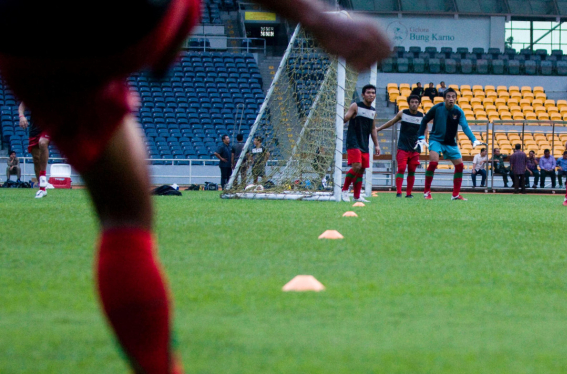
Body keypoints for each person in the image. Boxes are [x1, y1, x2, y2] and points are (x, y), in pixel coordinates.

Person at [0, 0, 391, 372]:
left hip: (25, 36)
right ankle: (170, 32)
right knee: (126, 217)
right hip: (123, 25)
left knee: (122, 210)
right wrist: (321, 20)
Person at [416, 87, 484, 200]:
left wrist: (473, 139)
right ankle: (426, 192)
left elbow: (465, 126)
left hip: (450, 143)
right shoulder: (437, 108)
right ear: (444, 98)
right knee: (433, 163)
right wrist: (421, 137)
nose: (451, 99)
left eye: (453, 97)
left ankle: (455, 195)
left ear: (456, 98)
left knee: (460, 166)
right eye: (448, 96)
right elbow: (424, 120)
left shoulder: (458, 111)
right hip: (436, 140)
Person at [376, 94, 423, 197]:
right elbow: (392, 122)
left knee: (412, 171)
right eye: (412, 102)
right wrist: (379, 129)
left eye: (416, 102)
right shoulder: (403, 113)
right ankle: (398, 192)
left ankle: (409, 193)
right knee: (401, 168)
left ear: (419, 104)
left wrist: (423, 140)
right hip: (402, 147)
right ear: (409, 103)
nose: (414, 104)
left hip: (415, 148)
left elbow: (425, 129)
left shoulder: (421, 116)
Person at [342, 84, 380, 202]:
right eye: (368, 92)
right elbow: (345, 118)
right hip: (353, 141)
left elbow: (373, 129)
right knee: (356, 166)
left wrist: (377, 144)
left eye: (373, 93)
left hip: (364, 143)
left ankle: (357, 196)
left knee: (362, 169)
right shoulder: (356, 106)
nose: (371, 94)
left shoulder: (373, 111)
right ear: (363, 95)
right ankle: (344, 190)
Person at [19, 102, 50, 198]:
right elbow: (22, 104)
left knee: (43, 142)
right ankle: (42, 189)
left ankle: (43, 177)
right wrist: (21, 116)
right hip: (34, 128)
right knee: (36, 160)